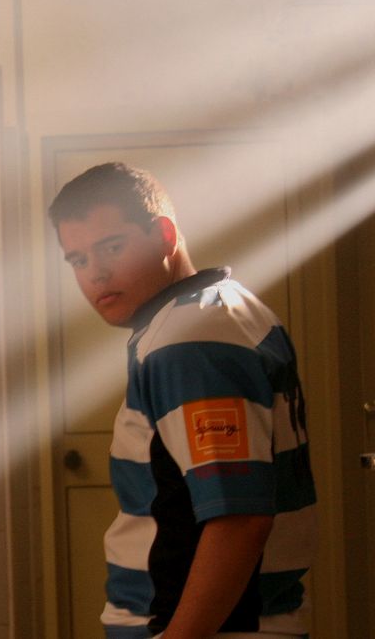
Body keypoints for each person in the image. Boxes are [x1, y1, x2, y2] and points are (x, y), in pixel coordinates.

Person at [49, 163, 315, 638]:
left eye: (112, 247)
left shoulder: (189, 339)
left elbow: (239, 518)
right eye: (78, 259)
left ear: (165, 235)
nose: (96, 273)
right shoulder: (224, 305)